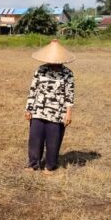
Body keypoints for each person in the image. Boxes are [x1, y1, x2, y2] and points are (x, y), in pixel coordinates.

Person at [25, 39, 75, 174]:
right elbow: (33, 90)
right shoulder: (40, 70)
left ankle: (50, 165)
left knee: (54, 141)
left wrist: (68, 113)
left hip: (57, 113)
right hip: (38, 110)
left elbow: (69, 95)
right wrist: (29, 108)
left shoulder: (67, 74)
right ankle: (33, 163)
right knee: (35, 139)